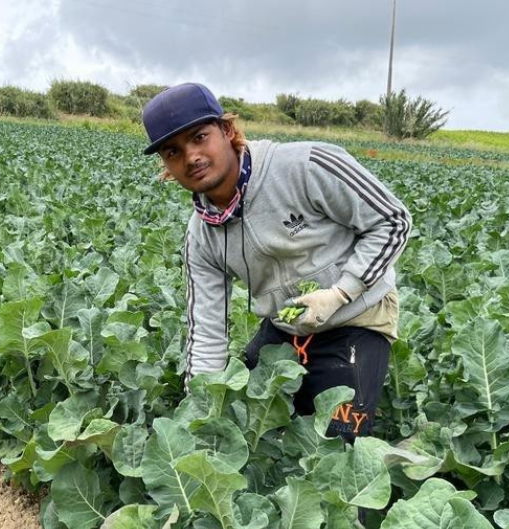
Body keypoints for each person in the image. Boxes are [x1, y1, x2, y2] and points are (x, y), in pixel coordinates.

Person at [141, 83, 411, 442]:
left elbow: (393, 221)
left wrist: (341, 293)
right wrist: (201, 412)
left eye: (200, 137)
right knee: (242, 422)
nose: (191, 156)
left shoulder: (306, 165)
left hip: (357, 318)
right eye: (173, 151)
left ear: (227, 130)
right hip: (285, 327)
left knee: (341, 447)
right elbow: (206, 329)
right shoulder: (202, 235)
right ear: (166, 166)